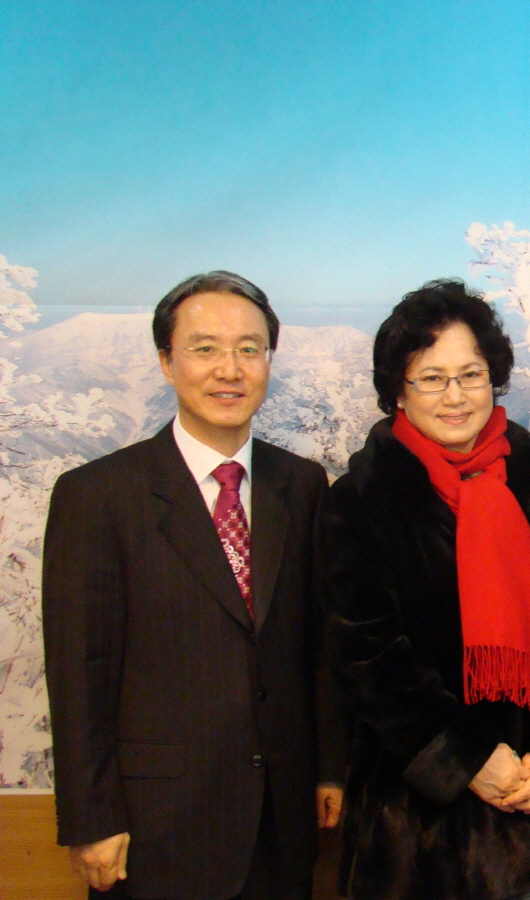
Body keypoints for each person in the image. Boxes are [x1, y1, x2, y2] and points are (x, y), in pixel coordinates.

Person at [42, 271, 345, 899]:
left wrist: (330, 769)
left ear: (268, 359)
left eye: (249, 349)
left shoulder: (301, 484)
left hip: (282, 817)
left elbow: (317, 643)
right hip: (156, 826)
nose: (229, 369)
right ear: (166, 361)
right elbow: (78, 671)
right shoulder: (97, 495)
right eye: (205, 348)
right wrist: (92, 818)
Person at [322, 279, 530, 900]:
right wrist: (465, 758)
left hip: (526, 803)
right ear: (398, 389)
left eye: (471, 375)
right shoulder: (362, 498)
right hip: (415, 823)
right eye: (432, 378)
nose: (455, 396)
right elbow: (365, 655)